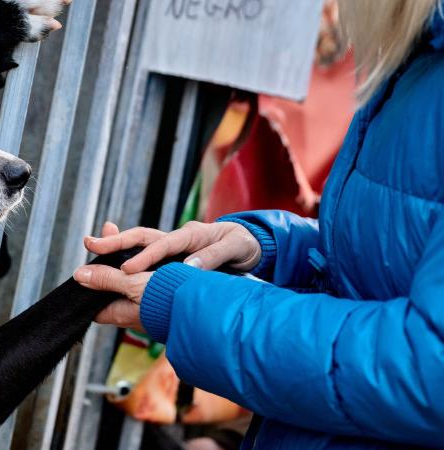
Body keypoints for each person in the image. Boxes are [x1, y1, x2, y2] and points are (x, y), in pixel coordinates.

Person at [72, 1, 444, 448]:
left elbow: (428, 369)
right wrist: (268, 247)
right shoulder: (424, 56)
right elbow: (399, 265)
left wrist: (191, 305)